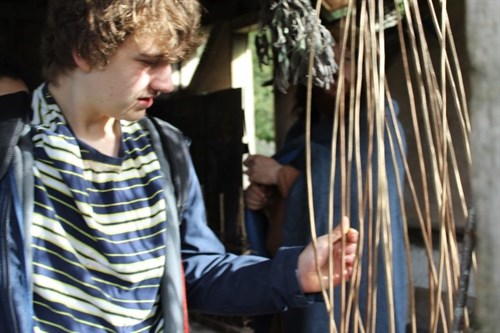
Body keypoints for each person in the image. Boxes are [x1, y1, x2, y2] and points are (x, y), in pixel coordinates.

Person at [0, 1, 359, 333]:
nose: (167, 82)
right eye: (148, 61)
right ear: (86, 51)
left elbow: (193, 272)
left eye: (171, 63)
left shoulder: (164, 148)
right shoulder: (11, 146)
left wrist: (292, 273)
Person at [244, 20, 408, 333]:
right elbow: (286, 210)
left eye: (345, 59)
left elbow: (355, 192)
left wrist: (281, 174)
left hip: (360, 280)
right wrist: (263, 199)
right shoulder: (304, 133)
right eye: (324, 60)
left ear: (364, 67)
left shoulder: (378, 128)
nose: (332, 70)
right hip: (306, 276)